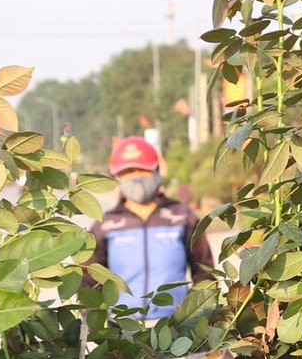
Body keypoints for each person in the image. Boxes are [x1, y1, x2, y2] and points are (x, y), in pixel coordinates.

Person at [89, 135, 217, 319]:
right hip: (123, 333)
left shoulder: (182, 216)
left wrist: (196, 315)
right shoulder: (105, 225)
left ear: (156, 170)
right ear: (116, 177)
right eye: (129, 172)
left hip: (176, 330)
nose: (136, 177)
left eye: (142, 170)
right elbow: (89, 279)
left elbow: (204, 272)